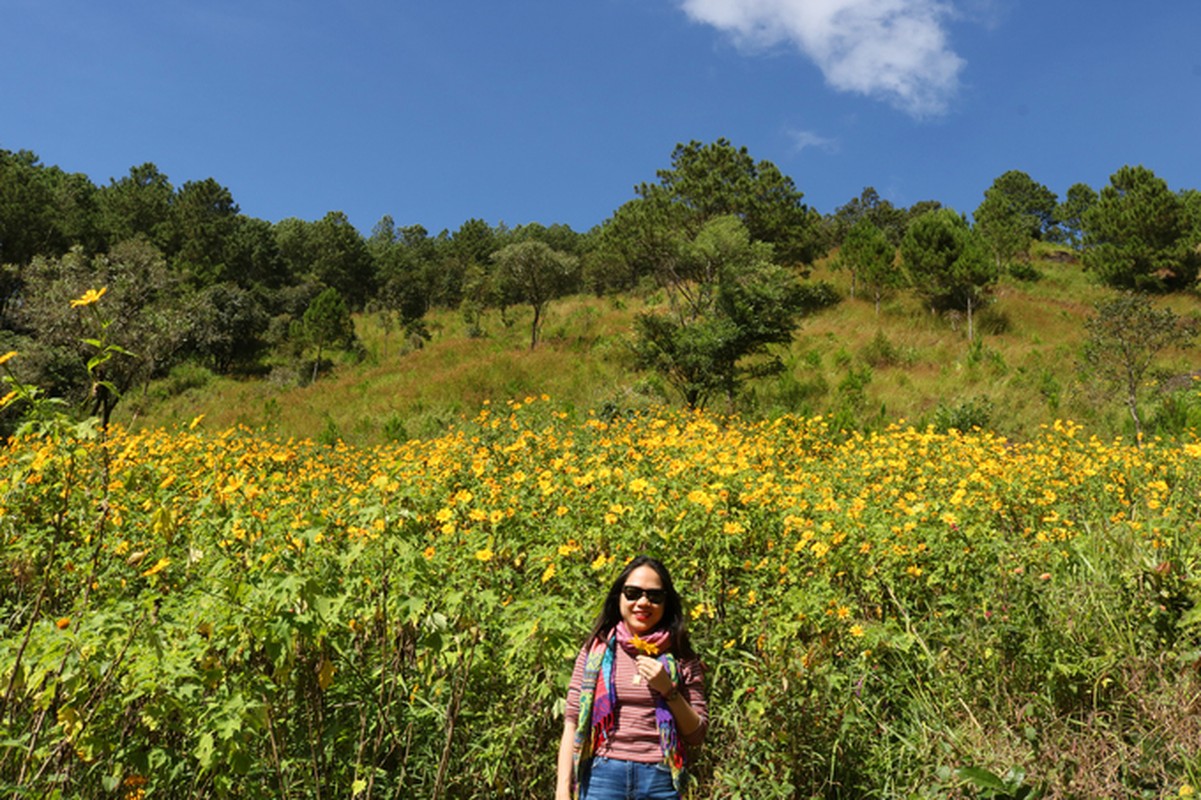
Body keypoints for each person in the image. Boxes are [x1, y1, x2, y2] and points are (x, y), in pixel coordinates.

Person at [555, 555, 708, 800]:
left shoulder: (681, 655)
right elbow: (572, 720)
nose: (643, 602)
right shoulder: (597, 650)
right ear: (620, 597)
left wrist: (668, 690)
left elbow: (696, 734)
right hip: (601, 777)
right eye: (633, 593)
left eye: (654, 596)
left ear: (666, 603)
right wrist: (562, 789)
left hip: (659, 777)